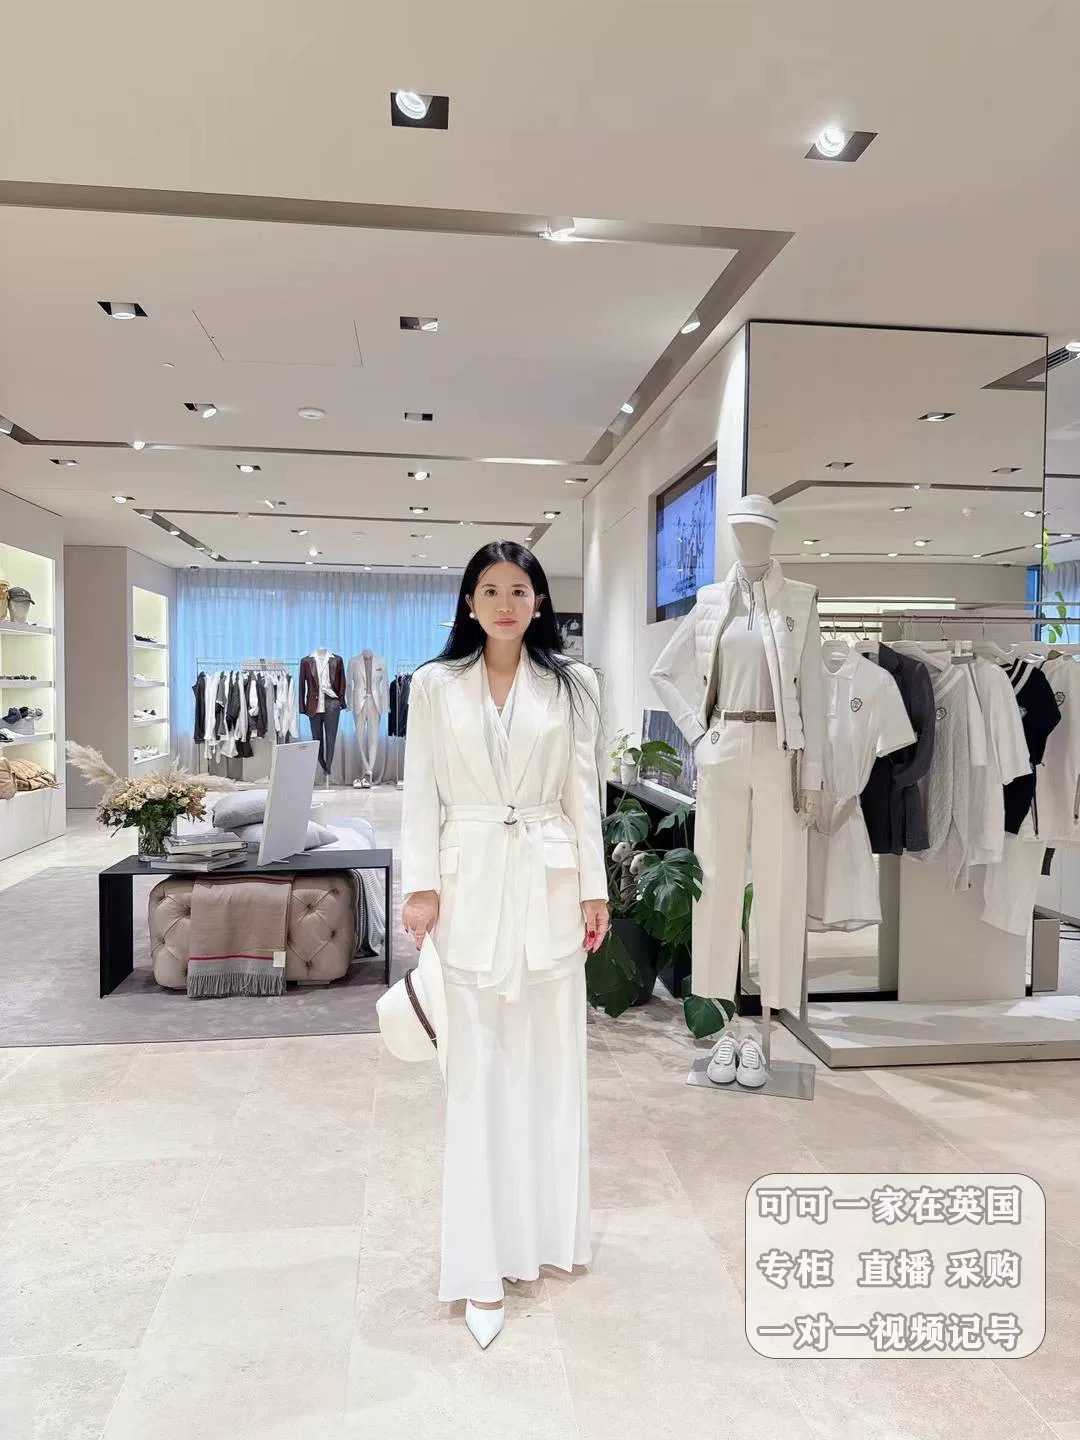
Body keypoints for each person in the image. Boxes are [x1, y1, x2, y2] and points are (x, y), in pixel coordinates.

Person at [400, 539, 609, 1349]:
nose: (505, 603)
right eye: (490, 589)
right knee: (477, 1075)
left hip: (551, 884)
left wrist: (594, 887)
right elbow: (420, 792)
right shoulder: (433, 685)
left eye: (519, 589)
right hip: (470, 888)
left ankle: (547, 1237)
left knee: (549, 1068)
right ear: (468, 602)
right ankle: (478, 1263)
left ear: (539, 601)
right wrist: (422, 885)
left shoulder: (575, 685)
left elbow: (583, 792)